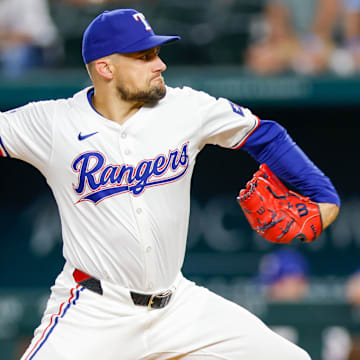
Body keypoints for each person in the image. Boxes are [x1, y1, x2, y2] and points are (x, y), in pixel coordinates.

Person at [0, 8, 340, 360]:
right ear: (106, 68)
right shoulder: (55, 123)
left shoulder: (185, 108)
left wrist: (324, 194)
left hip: (178, 306)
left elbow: (264, 135)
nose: (159, 64)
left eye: (157, 53)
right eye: (144, 56)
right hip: (96, 311)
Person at [0, 0, 58, 78]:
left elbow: (33, 34)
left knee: (15, 57)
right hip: (6, 47)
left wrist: (8, 36)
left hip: (37, 49)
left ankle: (16, 88)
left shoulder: (30, 1)